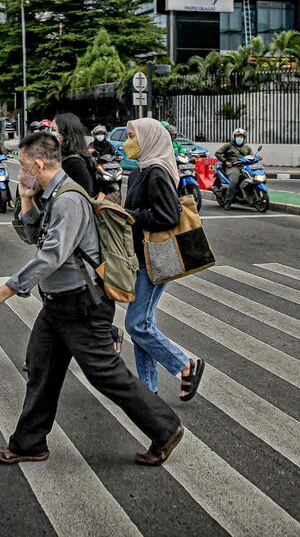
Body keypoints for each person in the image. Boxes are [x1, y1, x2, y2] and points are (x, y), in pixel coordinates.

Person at [0, 132, 184, 466]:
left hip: (83, 303)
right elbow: (34, 237)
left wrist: (8, 289)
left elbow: (52, 255)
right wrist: (26, 199)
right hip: (57, 303)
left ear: (38, 164)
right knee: (42, 371)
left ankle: (166, 428)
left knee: (105, 373)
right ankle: (29, 443)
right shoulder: (51, 195)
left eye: (24, 168)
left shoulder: (69, 200)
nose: (21, 174)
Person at [122, 118, 205, 401]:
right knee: (144, 323)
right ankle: (148, 390)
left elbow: (167, 216)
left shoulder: (157, 173)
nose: (128, 142)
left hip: (156, 256)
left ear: (148, 138)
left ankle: (185, 364)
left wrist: (132, 217)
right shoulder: (139, 172)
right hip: (140, 256)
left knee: (137, 324)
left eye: (133, 135)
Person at [53, 113, 96, 196]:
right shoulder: (58, 158)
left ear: (65, 135)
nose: (49, 133)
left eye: (53, 130)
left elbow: (84, 197)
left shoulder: (75, 164)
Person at [215, 127, 254, 209]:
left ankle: (250, 197)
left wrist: (256, 158)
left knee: (254, 179)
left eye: (242, 137)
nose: (240, 138)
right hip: (232, 167)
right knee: (234, 181)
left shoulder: (247, 148)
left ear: (244, 138)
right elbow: (217, 153)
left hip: (244, 167)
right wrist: (225, 161)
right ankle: (227, 202)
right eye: (238, 136)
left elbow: (251, 157)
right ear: (234, 137)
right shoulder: (228, 145)